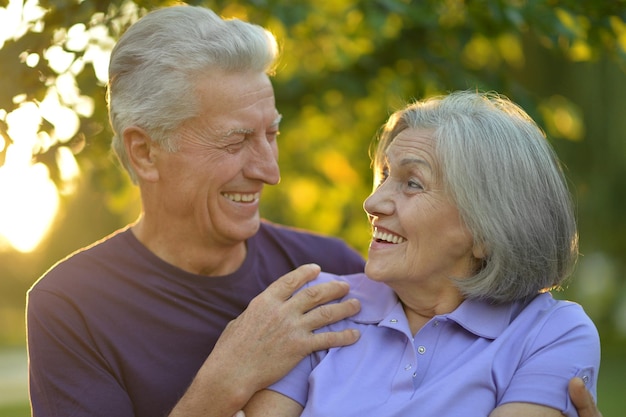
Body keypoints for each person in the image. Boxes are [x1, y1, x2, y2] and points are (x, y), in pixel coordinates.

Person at [25, 5, 603, 417]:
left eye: (272, 134)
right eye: (235, 142)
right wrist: (225, 380)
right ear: (145, 152)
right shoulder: (70, 305)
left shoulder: (328, 273)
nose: (269, 170)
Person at [243, 91, 601, 417]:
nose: (372, 203)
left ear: (487, 229)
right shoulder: (319, 304)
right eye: (383, 176)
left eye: (412, 183)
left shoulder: (550, 333)